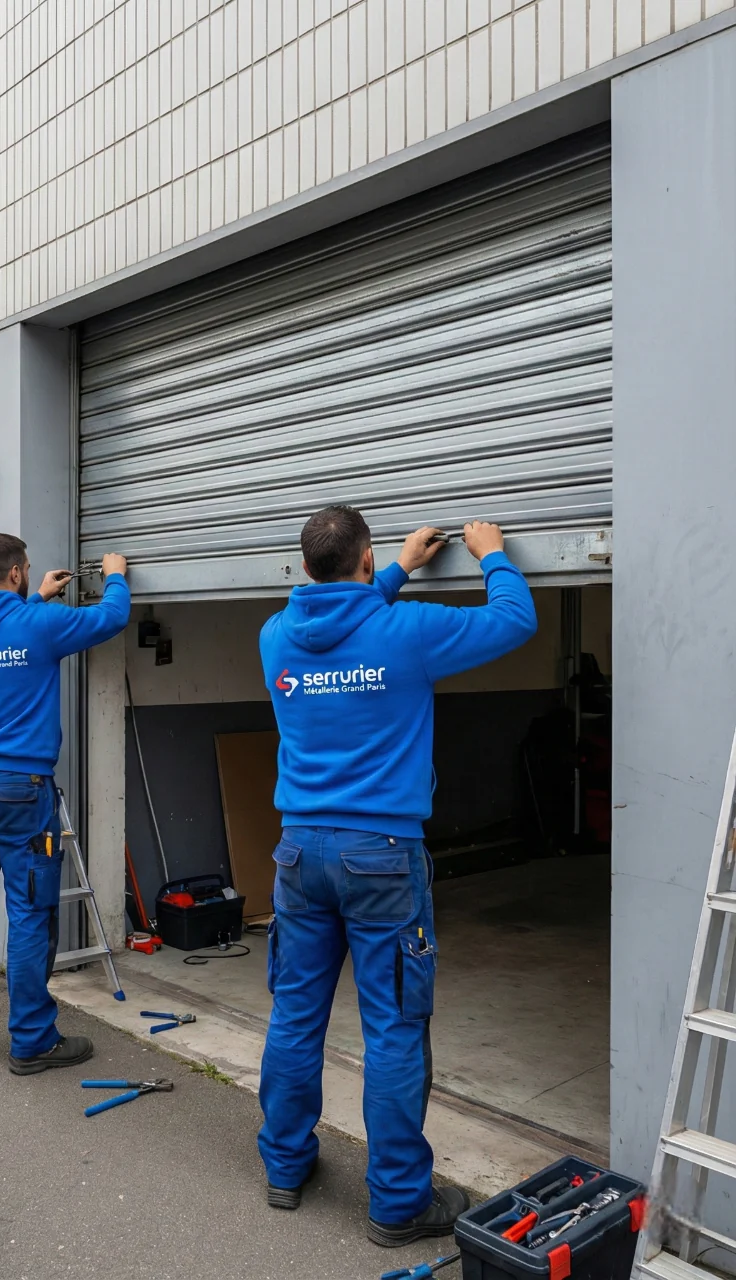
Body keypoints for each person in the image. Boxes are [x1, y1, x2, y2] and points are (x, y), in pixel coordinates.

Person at [257, 508, 537, 1246]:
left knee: (294, 1016)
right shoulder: (409, 635)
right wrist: (492, 555)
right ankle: (398, 1203)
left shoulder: (274, 637)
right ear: (364, 556)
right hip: (381, 855)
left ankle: (284, 1168)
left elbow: (341, 617)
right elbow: (515, 621)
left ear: (306, 565)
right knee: (392, 1030)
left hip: (297, 855)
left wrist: (397, 569)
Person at [0, 533, 130, 1074]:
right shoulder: (38, 626)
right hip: (22, 791)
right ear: (17, 573)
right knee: (28, 915)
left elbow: (2, 643)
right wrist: (115, 574)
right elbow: (110, 620)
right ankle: (32, 1041)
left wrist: (37, 599)